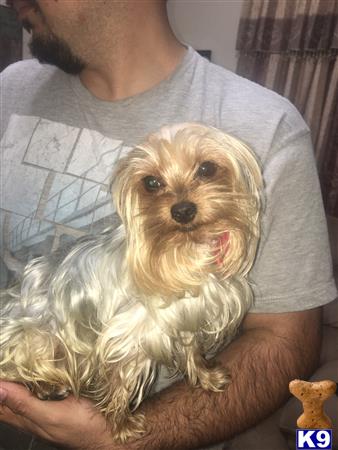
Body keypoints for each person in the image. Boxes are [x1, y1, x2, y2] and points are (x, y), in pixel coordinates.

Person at [0, 1, 336, 449]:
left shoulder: (267, 125)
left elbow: (284, 341)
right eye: (153, 184)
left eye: (205, 172)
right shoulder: (10, 88)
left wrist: (127, 439)